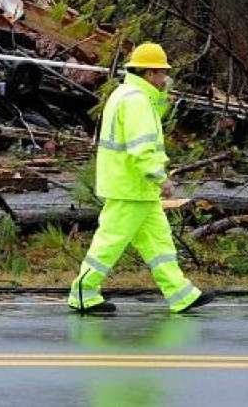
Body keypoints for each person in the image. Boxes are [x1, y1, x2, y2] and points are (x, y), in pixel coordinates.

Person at [68, 42, 215, 314]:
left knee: (160, 244)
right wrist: (161, 179)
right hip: (131, 187)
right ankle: (82, 293)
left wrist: (161, 95)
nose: (164, 78)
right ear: (148, 74)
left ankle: (181, 294)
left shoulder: (129, 94)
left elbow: (151, 120)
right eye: (161, 73)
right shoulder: (136, 101)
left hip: (135, 188)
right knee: (109, 244)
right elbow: (143, 147)